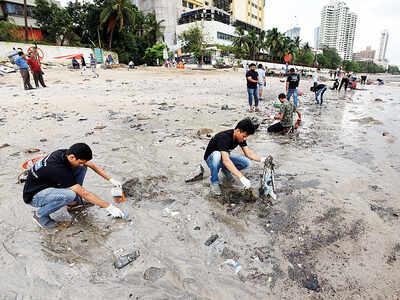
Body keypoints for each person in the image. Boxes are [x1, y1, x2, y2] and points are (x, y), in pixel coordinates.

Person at [23, 143, 125, 229]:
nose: (82, 163)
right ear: (72, 157)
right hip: (35, 196)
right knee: (69, 195)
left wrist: (111, 179)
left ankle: (74, 203)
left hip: (48, 184)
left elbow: (92, 165)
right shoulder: (58, 169)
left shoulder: (65, 153)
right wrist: (109, 207)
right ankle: (40, 215)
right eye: (80, 161)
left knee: (81, 168)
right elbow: (85, 193)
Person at [204, 118, 264, 196]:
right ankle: (214, 182)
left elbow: (248, 153)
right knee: (217, 155)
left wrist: (263, 159)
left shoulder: (240, 138)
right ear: (238, 131)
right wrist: (241, 177)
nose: (244, 139)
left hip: (223, 157)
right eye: (244, 136)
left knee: (247, 162)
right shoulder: (224, 137)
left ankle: (226, 170)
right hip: (211, 159)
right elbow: (226, 161)